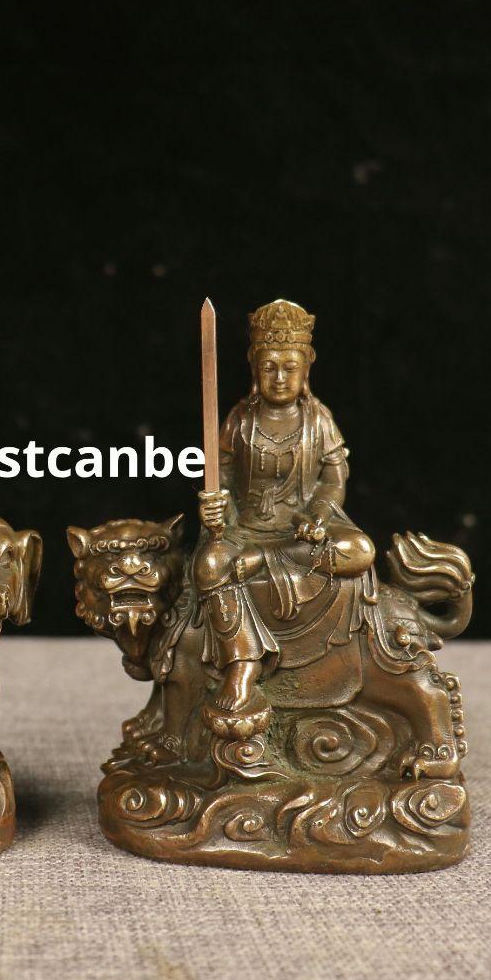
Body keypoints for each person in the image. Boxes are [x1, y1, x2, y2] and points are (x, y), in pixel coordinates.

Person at [194, 299, 376, 736]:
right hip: (248, 531)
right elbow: (222, 478)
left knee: (360, 550)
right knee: (208, 566)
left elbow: (333, 478)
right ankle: (243, 665)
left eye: (289, 368)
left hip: (302, 536)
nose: (279, 378)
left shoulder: (318, 420)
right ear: (254, 369)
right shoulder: (240, 420)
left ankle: (264, 561)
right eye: (269, 367)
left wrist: (318, 514)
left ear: (306, 368)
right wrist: (216, 509)